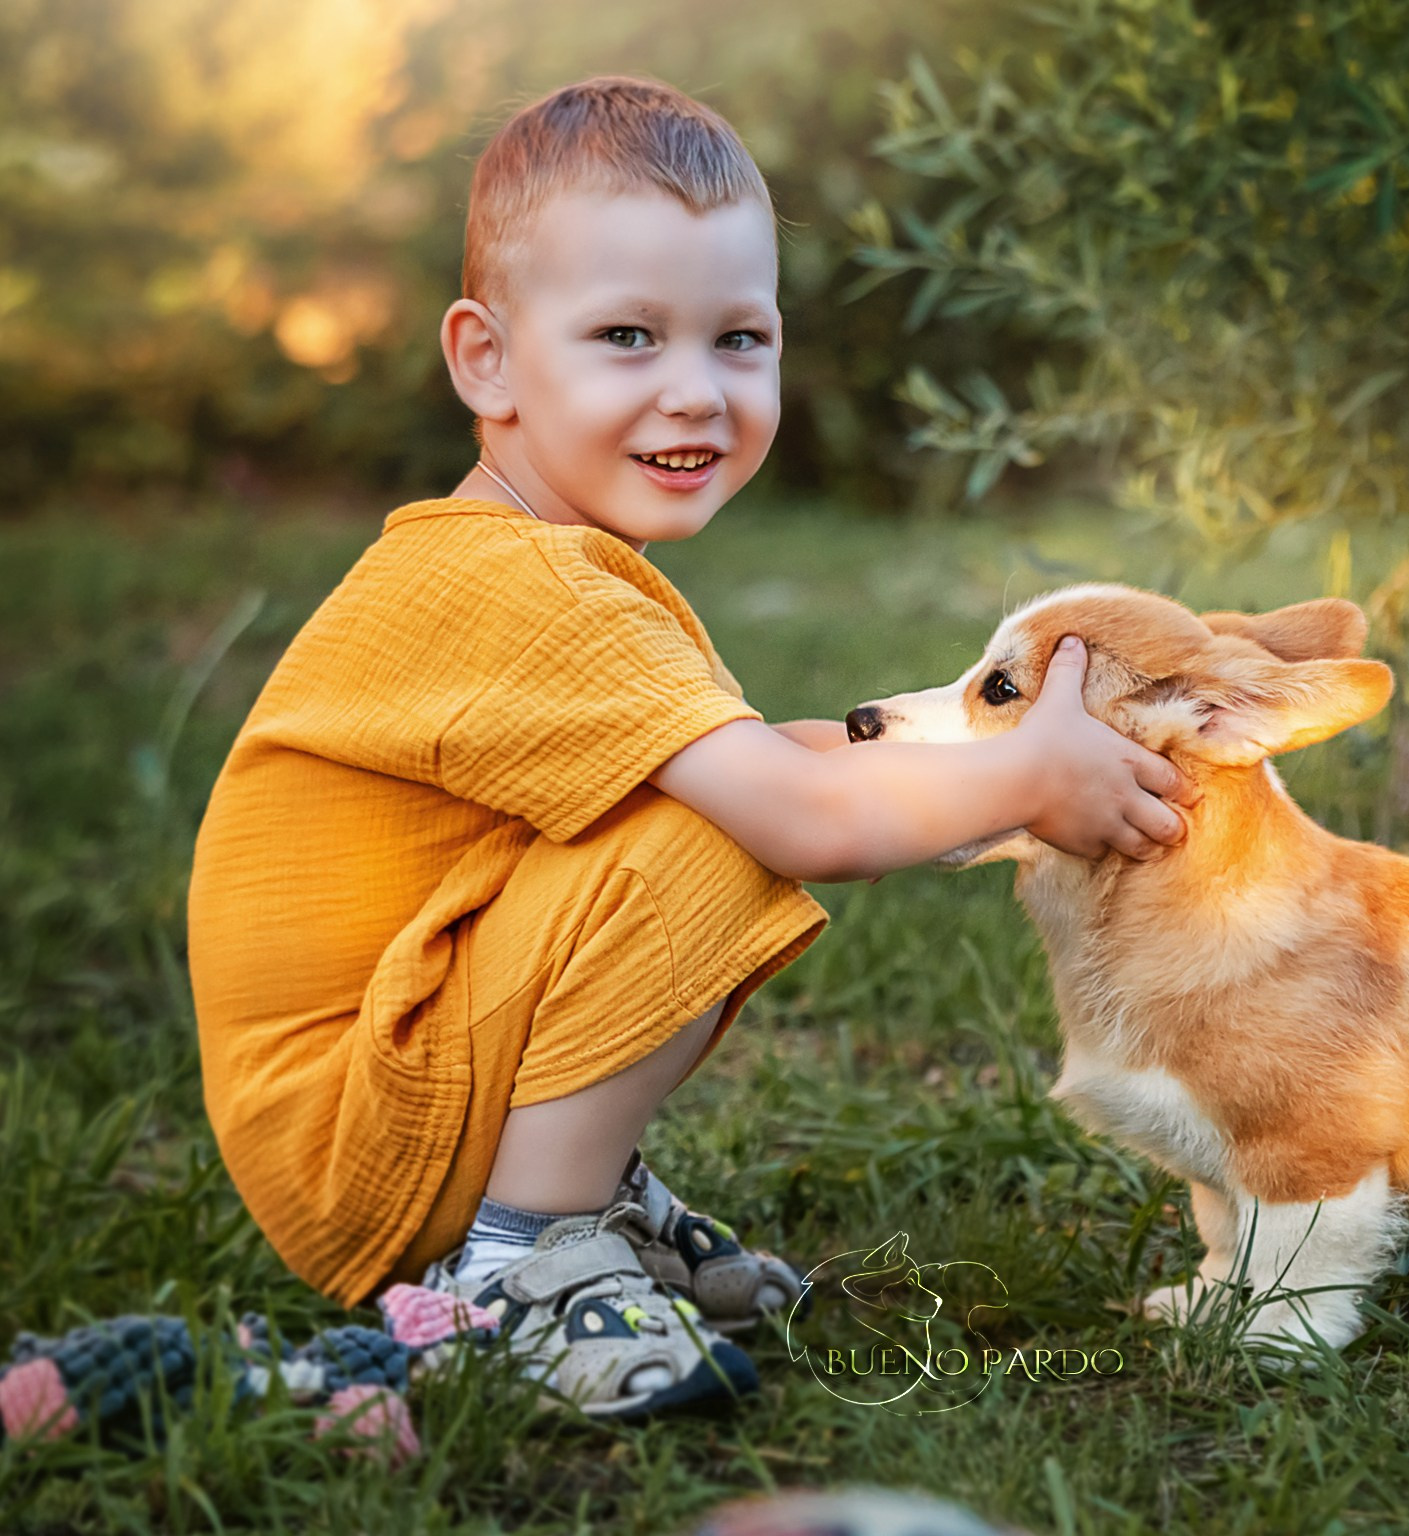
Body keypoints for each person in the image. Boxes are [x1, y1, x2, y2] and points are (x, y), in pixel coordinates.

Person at [185, 75, 1194, 1420]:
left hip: (398, 1080)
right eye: (626, 336)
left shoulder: (538, 564)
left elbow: (781, 758)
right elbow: (793, 813)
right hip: (361, 1127)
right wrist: (1023, 782)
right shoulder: (520, 587)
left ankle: (573, 1198)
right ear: (485, 358)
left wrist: (978, 742)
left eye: (738, 340)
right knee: (711, 833)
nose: (696, 392)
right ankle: (529, 1257)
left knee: (717, 793)